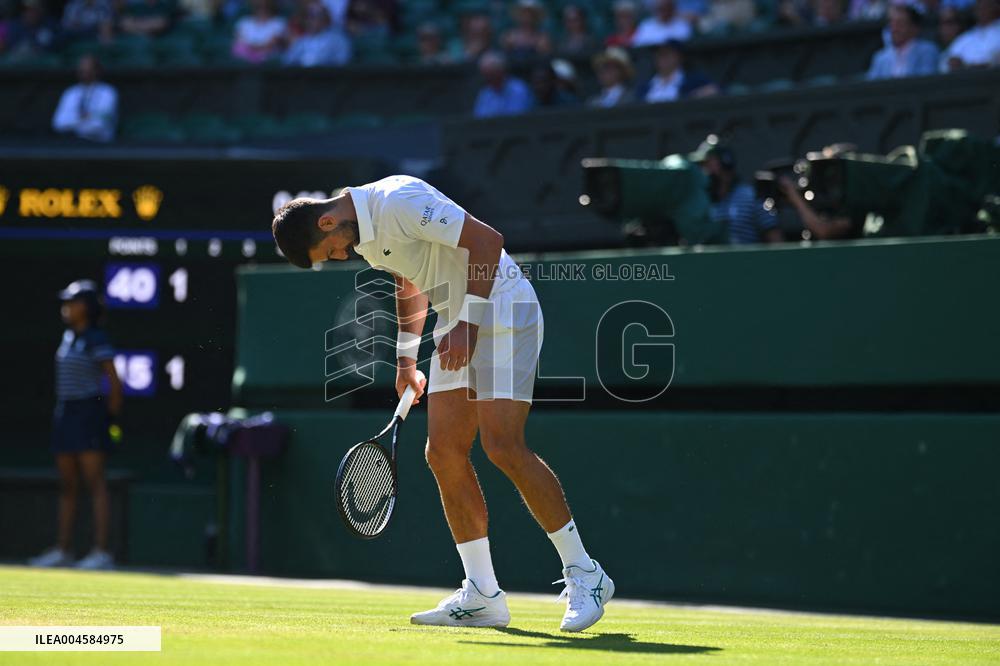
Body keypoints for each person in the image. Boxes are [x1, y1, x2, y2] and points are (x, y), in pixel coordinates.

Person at [271, 175, 615, 631]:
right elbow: (409, 282)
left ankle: (586, 573)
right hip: (457, 321)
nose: (340, 255)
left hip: (504, 310)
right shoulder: (366, 236)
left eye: (330, 248)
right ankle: (482, 594)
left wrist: (467, 325)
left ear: (329, 219)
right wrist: (405, 359)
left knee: (502, 445)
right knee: (443, 453)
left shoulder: (399, 201)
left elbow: (487, 242)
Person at [29, 280, 123, 571]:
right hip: (65, 413)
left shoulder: (97, 338)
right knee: (68, 486)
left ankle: (101, 552)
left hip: (89, 414)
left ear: (87, 307)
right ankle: (64, 549)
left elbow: (115, 384)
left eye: (72, 301)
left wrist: (108, 419)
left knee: (95, 483)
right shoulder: (68, 337)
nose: (66, 307)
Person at [692, 137, 782, 244]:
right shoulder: (701, 203)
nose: (704, 171)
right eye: (702, 166)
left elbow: (776, 239)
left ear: (725, 162)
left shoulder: (751, 196)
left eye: (708, 164)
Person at [52, 54, 117, 142]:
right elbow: (59, 123)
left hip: (100, 147)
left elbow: (99, 125)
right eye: (82, 70)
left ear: (97, 71)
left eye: (88, 69)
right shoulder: (71, 92)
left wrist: (73, 123)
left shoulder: (108, 92)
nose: (84, 72)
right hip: (72, 146)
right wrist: (84, 119)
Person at [867, 3, 939, 79]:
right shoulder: (880, 58)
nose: (894, 29)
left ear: (914, 28)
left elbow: (925, 83)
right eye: (892, 24)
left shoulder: (927, 51)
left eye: (900, 23)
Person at [637, 39, 718, 103]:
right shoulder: (645, 87)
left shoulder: (693, 80)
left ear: (679, 57)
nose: (662, 58)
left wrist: (690, 97)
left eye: (667, 54)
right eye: (659, 54)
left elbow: (713, 90)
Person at [283, 0, 350, 66]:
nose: (311, 20)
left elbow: (342, 63)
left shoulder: (338, 40)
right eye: (309, 16)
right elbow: (288, 63)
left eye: (315, 16)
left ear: (325, 18)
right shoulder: (301, 41)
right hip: (302, 76)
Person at [940, 0, 1000, 70]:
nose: (982, 10)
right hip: (965, 79)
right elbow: (946, 63)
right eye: (979, 7)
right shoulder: (967, 37)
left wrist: (967, 66)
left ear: (996, 7)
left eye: (986, 6)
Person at [473, 51, 534, 118]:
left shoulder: (518, 89)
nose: (487, 78)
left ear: (501, 71)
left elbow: (516, 117)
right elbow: (479, 119)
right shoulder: (485, 93)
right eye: (485, 75)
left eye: (491, 74)